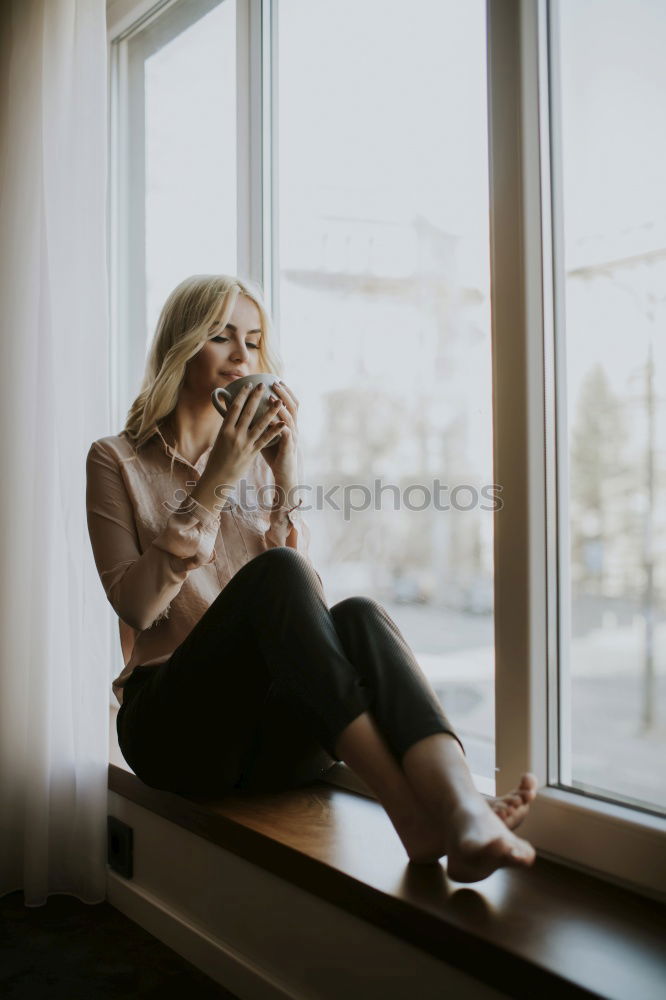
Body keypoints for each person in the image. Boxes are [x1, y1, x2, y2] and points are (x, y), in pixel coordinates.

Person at [86, 273, 538, 882]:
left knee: (358, 615)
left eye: (253, 340)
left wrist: (285, 479)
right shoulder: (114, 459)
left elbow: (300, 613)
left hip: (266, 742)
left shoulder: (256, 464)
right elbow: (138, 608)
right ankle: (411, 816)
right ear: (182, 347)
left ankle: (464, 813)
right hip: (175, 735)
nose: (243, 356)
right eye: (222, 337)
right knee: (282, 571)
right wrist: (217, 478)